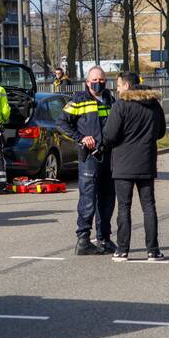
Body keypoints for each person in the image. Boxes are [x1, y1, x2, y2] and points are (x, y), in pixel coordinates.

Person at [103, 72, 166, 261]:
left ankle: (122, 250)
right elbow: (161, 132)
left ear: (128, 86)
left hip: (123, 164)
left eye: (119, 85)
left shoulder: (121, 105)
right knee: (149, 206)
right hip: (146, 161)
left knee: (124, 207)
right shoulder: (154, 104)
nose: (117, 89)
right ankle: (153, 250)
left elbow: (109, 135)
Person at [59, 66, 117, 255]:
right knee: (88, 198)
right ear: (87, 81)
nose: (98, 83)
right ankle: (83, 239)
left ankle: (104, 238)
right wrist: (80, 138)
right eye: (94, 80)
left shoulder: (109, 99)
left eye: (101, 80)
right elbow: (61, 122)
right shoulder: (79, 99)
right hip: (89, 157)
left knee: (107, 198)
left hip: (108, 156)